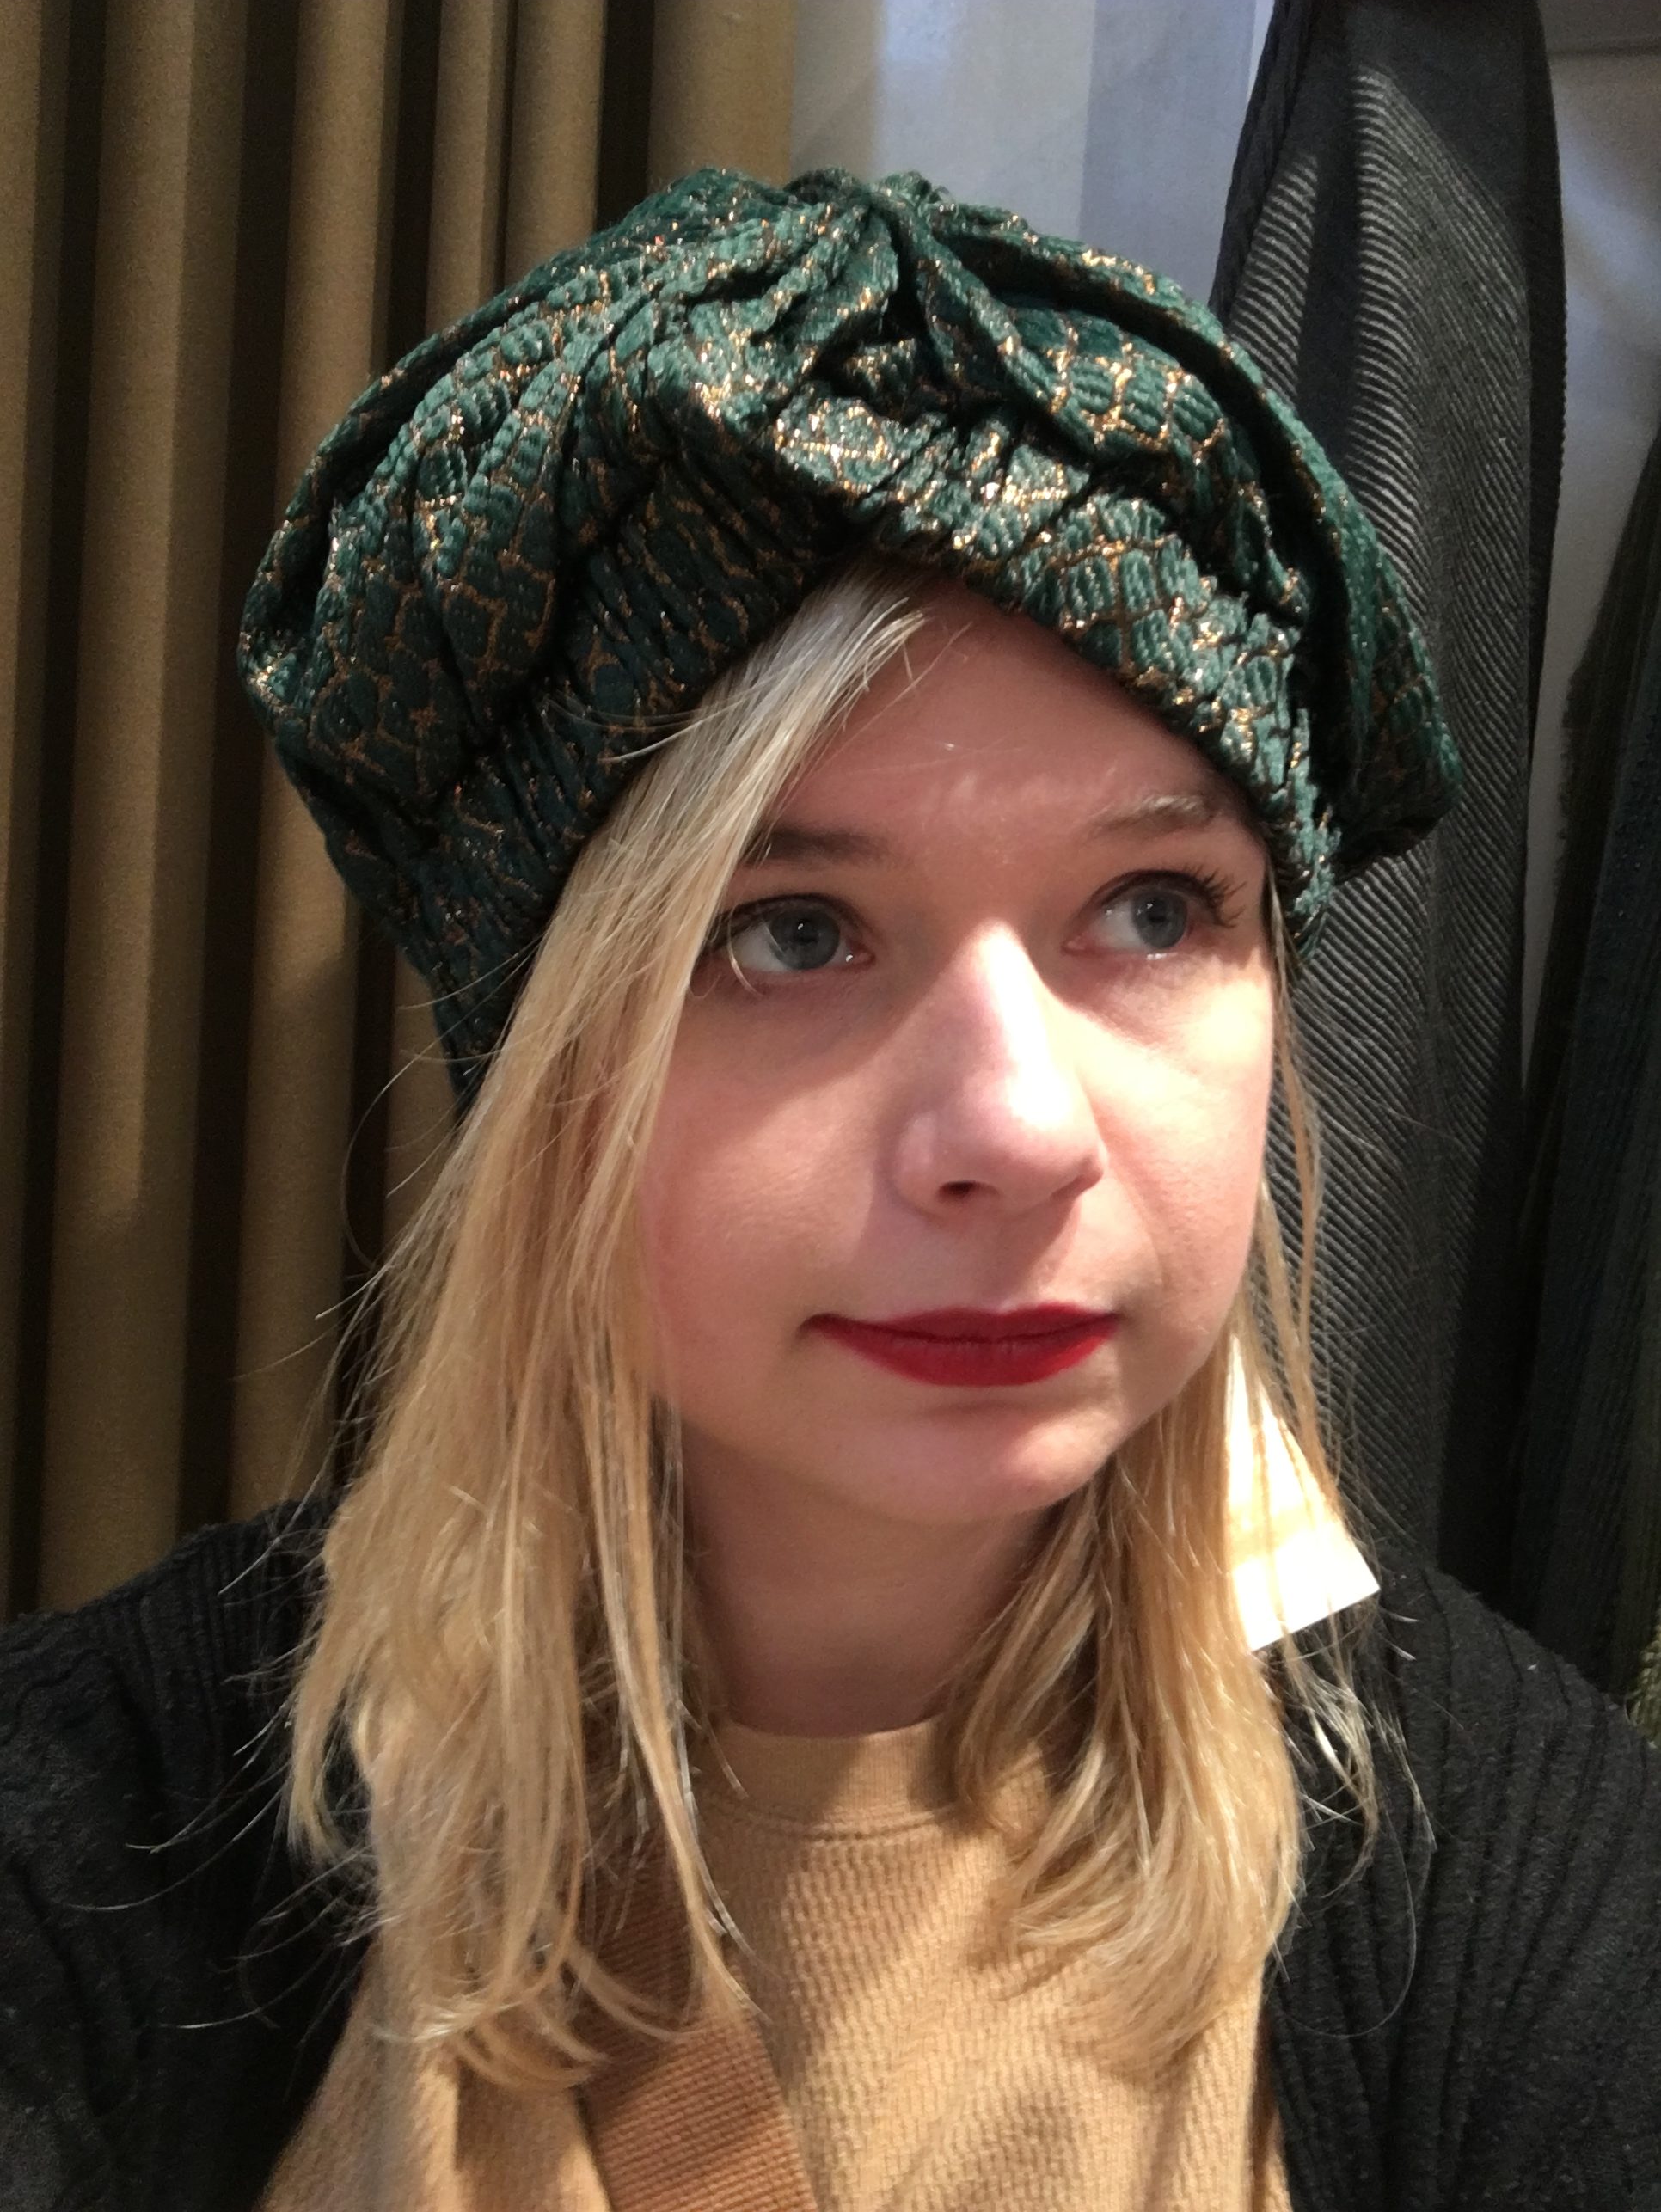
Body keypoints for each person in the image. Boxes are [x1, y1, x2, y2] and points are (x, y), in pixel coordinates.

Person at [2, 166, 1658, 2212]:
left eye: (1156, 908)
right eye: (789, 932)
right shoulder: (116, 1832)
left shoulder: (1513, 1885)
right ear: (547, 1069)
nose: (1020, 1130)